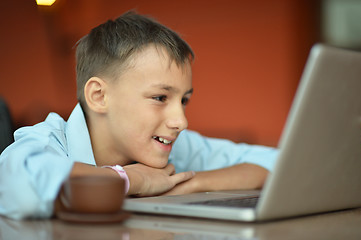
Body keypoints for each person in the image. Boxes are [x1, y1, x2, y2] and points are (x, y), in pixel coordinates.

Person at [0, 11, 278, 220]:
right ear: (99, 96)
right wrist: (132, 179)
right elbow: (22, 187)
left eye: (184, 100)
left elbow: (280, 163)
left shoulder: (175, 148)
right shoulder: (48, 141)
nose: (181, 122)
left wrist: (192, 183)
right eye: (160, 98)